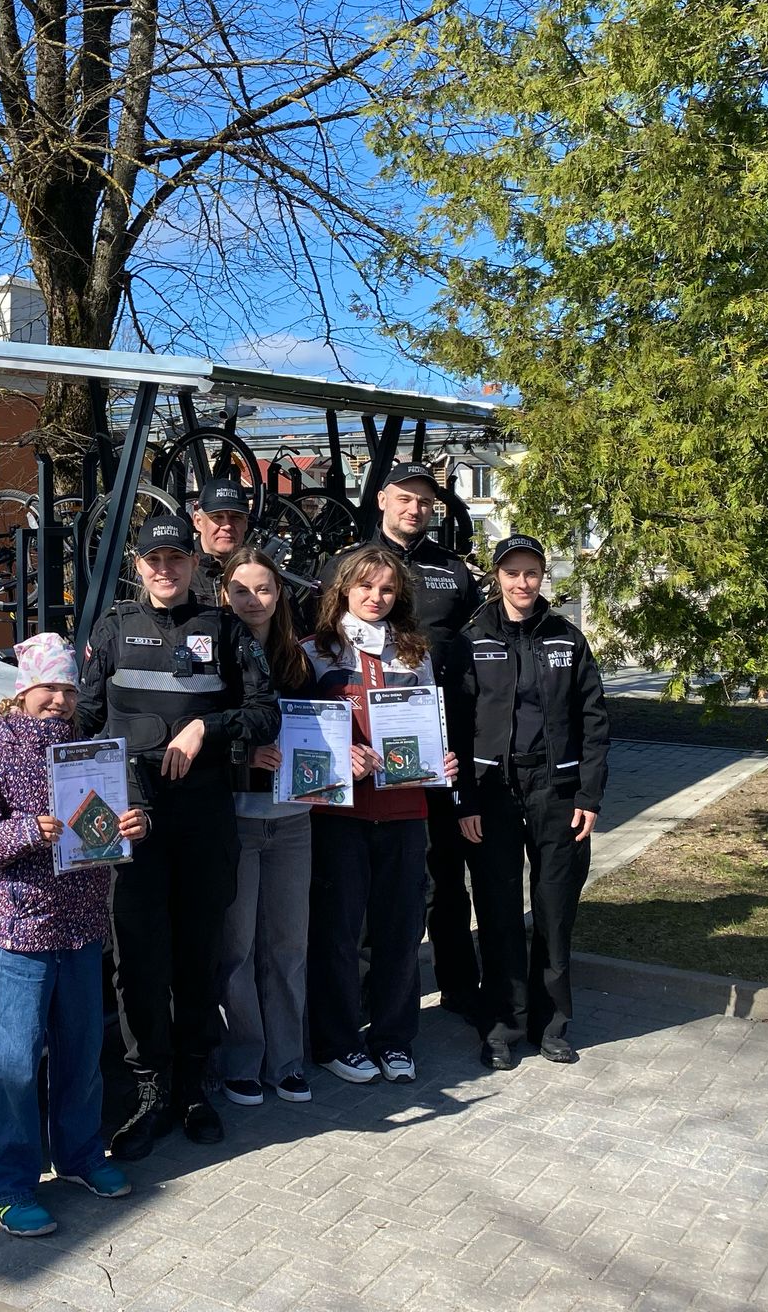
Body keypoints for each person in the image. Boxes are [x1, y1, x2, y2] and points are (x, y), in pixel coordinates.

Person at [78, 514, 280, 1156]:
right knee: (138, 963)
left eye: (176, 558)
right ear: (138, 566)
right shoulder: (112, 628)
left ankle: (193, 1086)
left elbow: (265, 713)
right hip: (129, 822)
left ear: (195, 564)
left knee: (198, 958)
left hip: (204, 821)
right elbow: (83, 717)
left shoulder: (225, 629)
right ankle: (150, 1092)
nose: (165, 569)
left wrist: (206, 729)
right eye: (153, 559)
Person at [0, 633, 150, 1237]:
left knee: (82, 1052)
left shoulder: (89, 751)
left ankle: (80, 1156)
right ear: (22, 691)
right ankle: (2, 1185)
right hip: (23, 929)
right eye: (49, 688)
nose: (60, 700)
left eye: (68, 689)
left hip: (83, 926)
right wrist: (26, 831)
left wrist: (133, 824)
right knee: (12, 1063)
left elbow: (113, 819)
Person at [304, 543, 459, 1086]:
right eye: (366, 586)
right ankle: (338, 1041)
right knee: (338, 934)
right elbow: (298, 734)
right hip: (340, 815)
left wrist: (440, 760)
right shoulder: (315, 652)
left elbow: (427, 726)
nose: (376, 597)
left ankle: (394, 1038)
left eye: (388, 588)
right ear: (344, 589)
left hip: (404, 812)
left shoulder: (415, 652)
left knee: (400, 932)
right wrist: (338, 756)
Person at [458, 536, 609, 1070]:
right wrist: (464, 800)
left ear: (543, 576)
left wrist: (589, 794)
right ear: (497, 577)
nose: (522, 583)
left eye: (531, 572)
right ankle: (503, 1026)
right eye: (512, 572)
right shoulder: (472, 638)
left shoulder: (567, 638)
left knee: (554, 909)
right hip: (492, 792)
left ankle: (552, 1024)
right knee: (498, 910)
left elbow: (594, 720)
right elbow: (455, 724)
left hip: (557, 791)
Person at [365, 461, 484, 1024]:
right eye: (405, 498)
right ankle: (374, 993)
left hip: (441, 747)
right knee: (378, 879)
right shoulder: (350, 564)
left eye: (425, 502)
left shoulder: (453, 571)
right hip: (371, 750)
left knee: (447, 873)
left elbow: (477, 648)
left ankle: (458, 986)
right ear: (383, 499)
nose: (415, 509)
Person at [213, 547, 315, 1106]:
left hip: (294, 819)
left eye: (264, 589)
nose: (253, 600)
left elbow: (320, 727)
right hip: (237, 819)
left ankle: (287, 1061)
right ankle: (243, 1060)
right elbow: (197, 729)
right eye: (241, 590)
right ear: (223, 594)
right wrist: (242, 755)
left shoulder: (299, 656)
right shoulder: (213, 652)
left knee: (288, 946)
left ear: (280, 594)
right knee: (238, 949)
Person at [189, 477, 252, 586]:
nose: (227, 526)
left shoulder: (260, 574)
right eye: (217, 517)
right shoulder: (180, 574)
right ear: (198, 522)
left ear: (245, 523)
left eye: (235, 517)